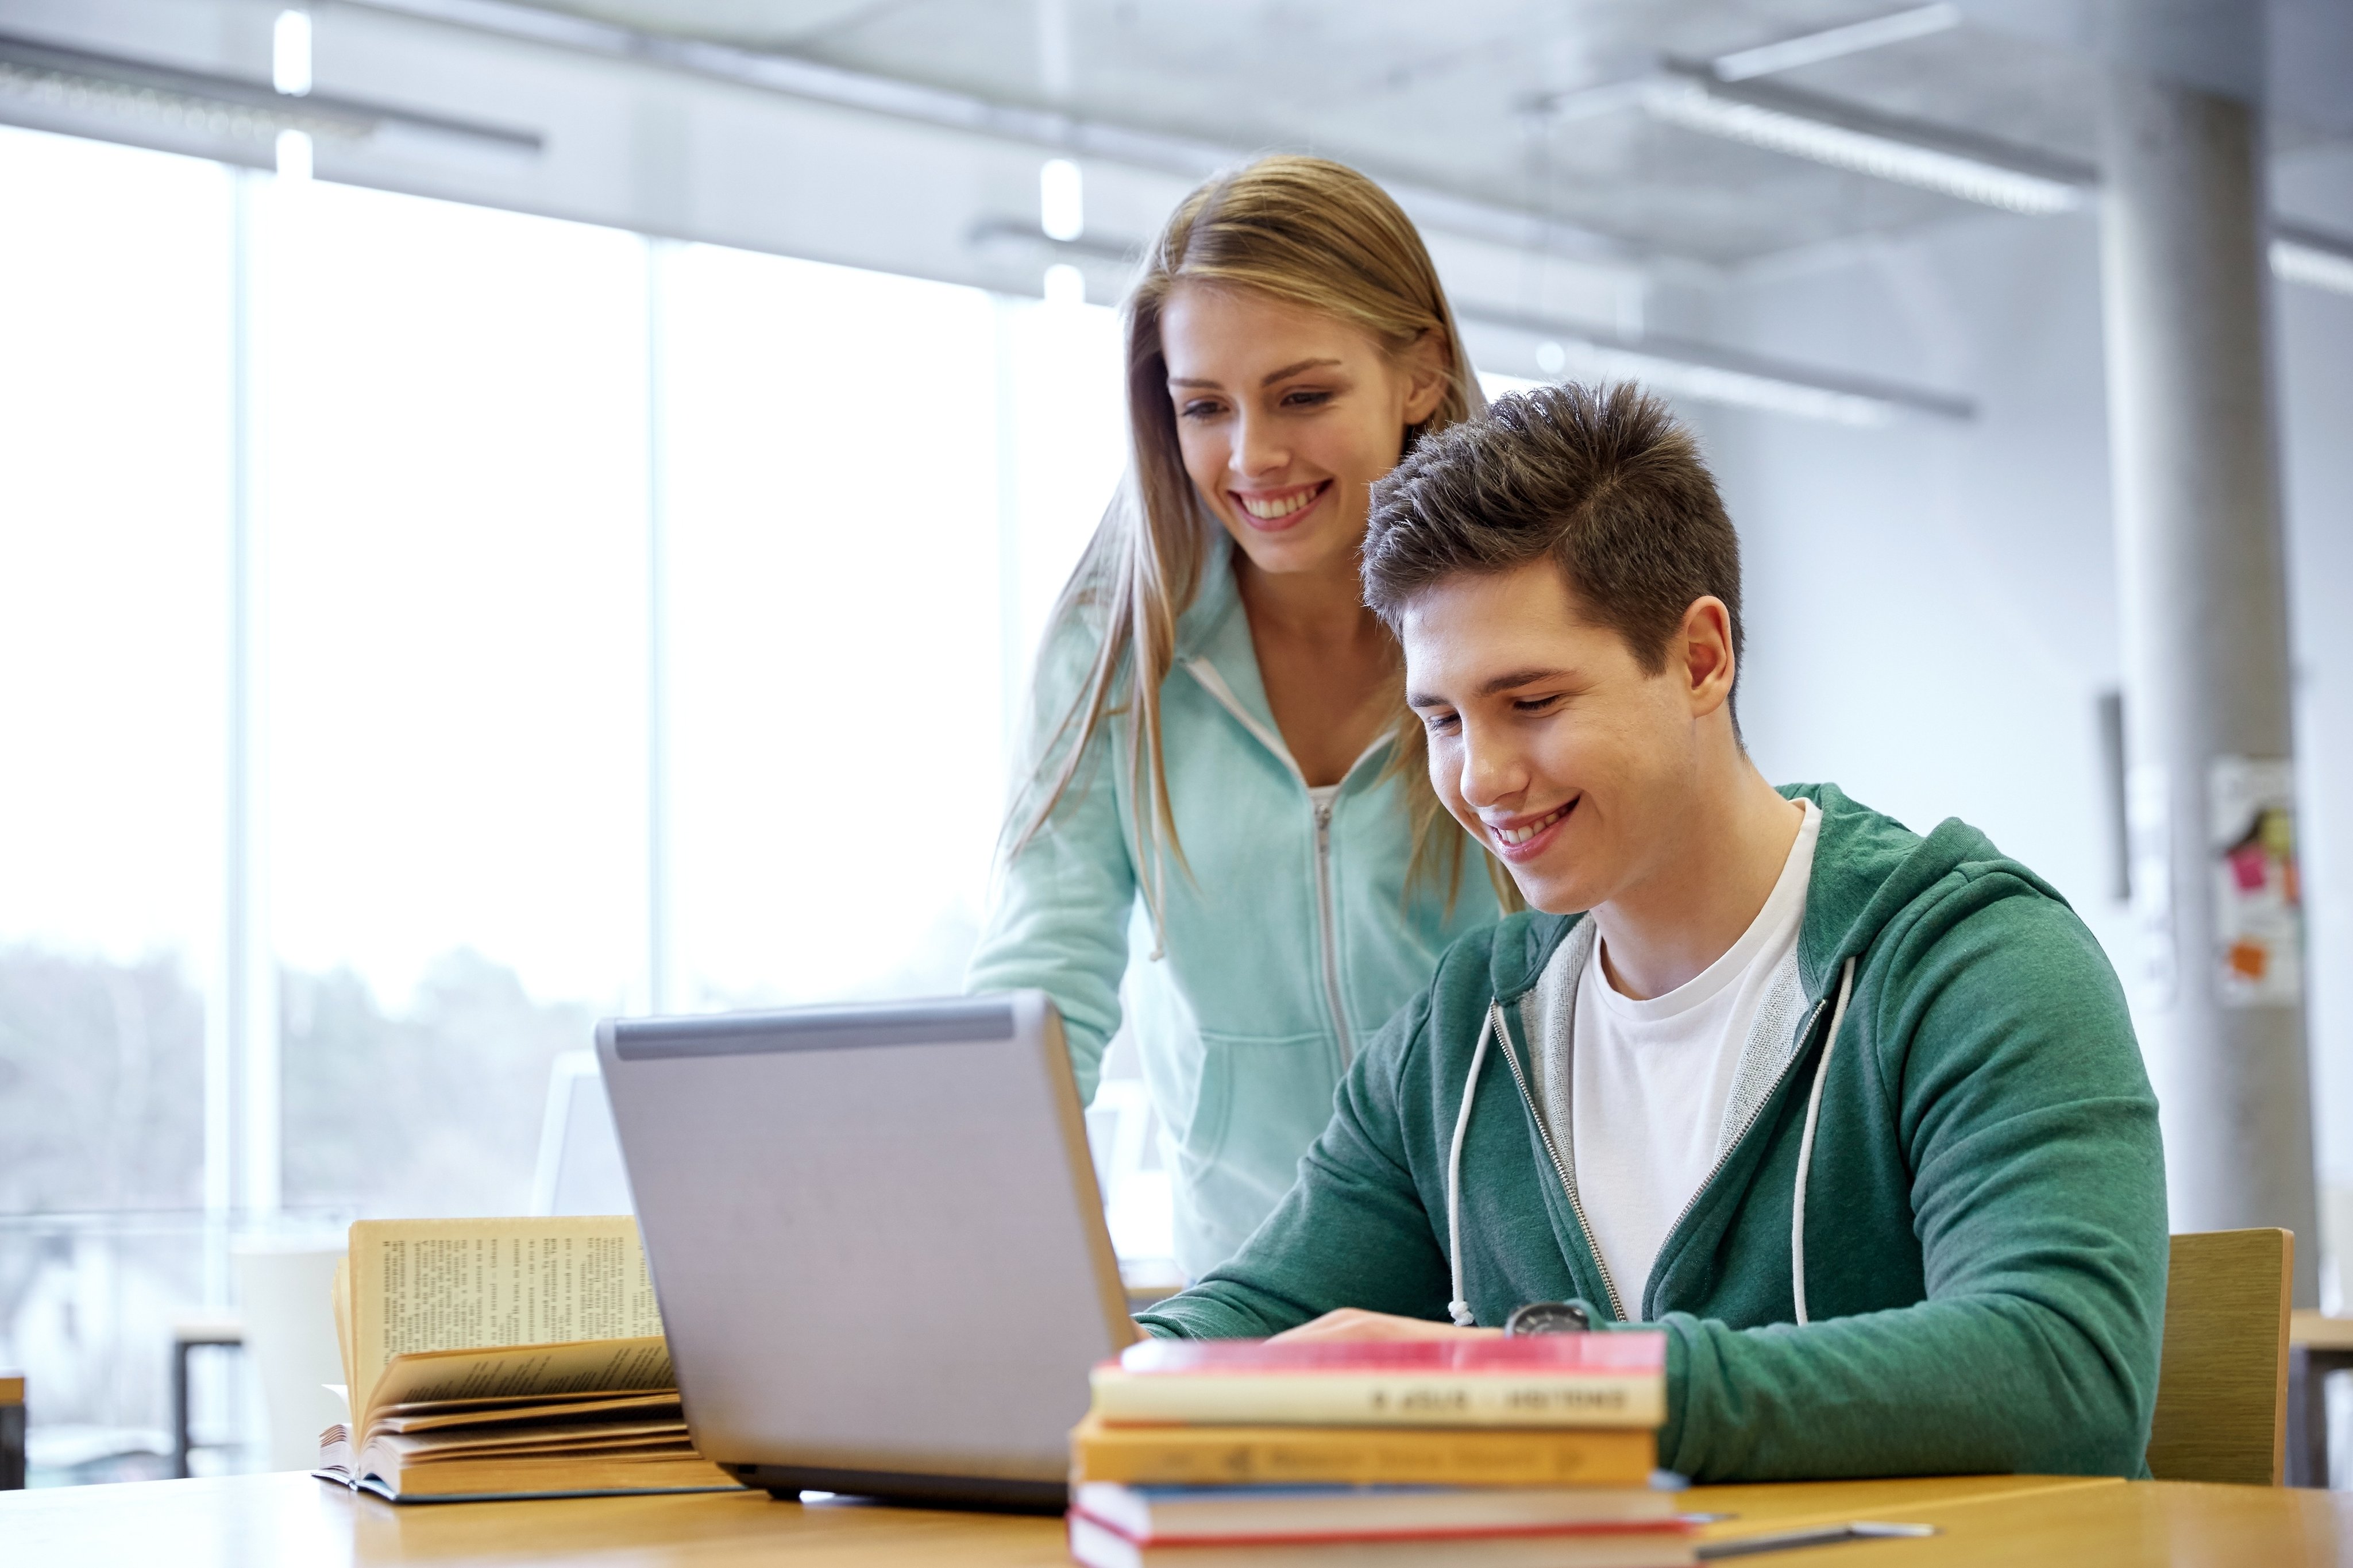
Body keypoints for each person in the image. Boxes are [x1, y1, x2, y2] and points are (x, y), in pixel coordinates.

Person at [1135, 383, 2169, 1481]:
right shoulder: (1468, 1027)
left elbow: (2067, 1373)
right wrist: (1104, 1381)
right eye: (1442, 718)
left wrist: (1538, 1389)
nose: (1479, 778)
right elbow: (1252, 1317)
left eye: (1531, 701)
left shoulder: (1975, 963)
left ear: (1701, 658)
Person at [968, 157, 1504, 1279]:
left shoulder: (1516, 623)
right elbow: (1043, 976)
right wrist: (983, 1249)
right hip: (1250, 1279)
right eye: (1203, 407)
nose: (1252, 457)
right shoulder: (1111, 646)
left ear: (1418, 374)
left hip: (1520, 1272)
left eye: (1302, 396)